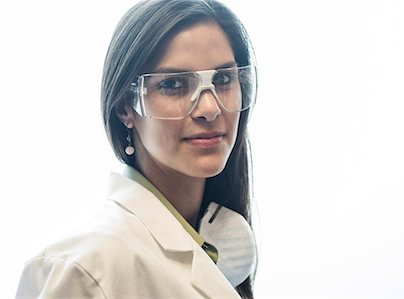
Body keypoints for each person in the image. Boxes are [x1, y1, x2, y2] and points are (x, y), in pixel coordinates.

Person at [15, 0, 258, 298]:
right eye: (173, 84)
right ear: (124, 109)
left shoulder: (213, 245)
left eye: (222, 79)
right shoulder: (86, 268)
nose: (209, 108)